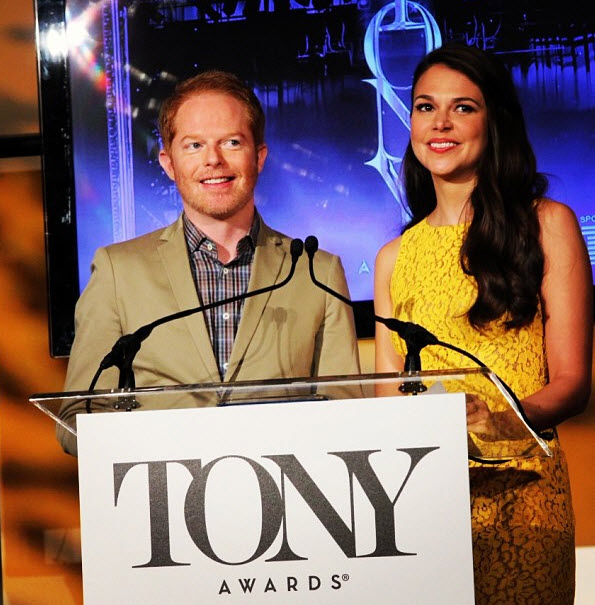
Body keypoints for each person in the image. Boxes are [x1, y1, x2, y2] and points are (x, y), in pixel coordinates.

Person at [374, 43, 592, 604]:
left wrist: (502, 418)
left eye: (463, 107)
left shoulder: (548, 225)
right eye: (425, 107)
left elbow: (572, 382)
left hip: (526, 497)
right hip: (423, 503)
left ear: (494, 120)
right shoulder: (394, 256)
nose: (440, 123)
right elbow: (386, 393)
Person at [58, 70, 360, 455]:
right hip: (159, 500)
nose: (213, 160)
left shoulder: (318, 272)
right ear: (168, 163)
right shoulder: (119, 270)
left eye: (232, 142)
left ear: (259, 156)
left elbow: (347, 415)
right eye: (194, 145)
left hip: (287, 502)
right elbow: (76, 419)